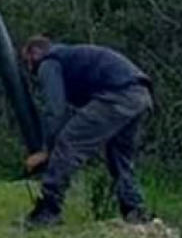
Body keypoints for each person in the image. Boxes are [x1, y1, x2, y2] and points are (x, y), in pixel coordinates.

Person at [21, 36, 155, 228]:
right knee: (119, 157)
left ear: (35, 54)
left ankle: (48, 211)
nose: (29, 69)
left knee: (67, 143)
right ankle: (135, 211)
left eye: (27, 62)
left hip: (117, 94)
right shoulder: (69, 57)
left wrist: (46, 151)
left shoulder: (49, 63)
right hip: (140, 94)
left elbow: (54, 111)